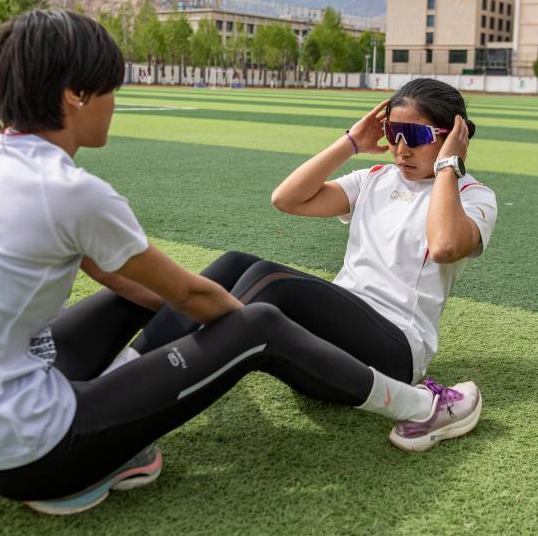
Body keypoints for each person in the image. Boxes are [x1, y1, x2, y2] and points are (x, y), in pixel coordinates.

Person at [0, 11, 471, 517]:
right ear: (74, 95)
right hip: (31, 453)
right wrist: (239, 335)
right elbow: (194, 300)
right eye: (111, 88)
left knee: (199, 282)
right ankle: (426, 408)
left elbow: (123, 280)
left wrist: (172, 353)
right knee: (257, 323)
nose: (115, 102)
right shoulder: (69, 191)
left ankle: (111, 425)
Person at [126, 78, 496, 417]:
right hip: (332, 337)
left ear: (452, 136)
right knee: (234, 264)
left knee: (271, 283)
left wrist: (449, 166)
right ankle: (127, 368)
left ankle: (147, 390)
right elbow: (286, 199)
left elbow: (445, 246)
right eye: (393, 132)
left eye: (414, 135)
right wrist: (352, 142)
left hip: (393, 352)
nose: (400, 149)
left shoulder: (472, 196)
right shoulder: (375, 178)